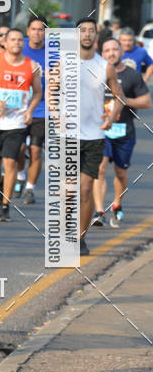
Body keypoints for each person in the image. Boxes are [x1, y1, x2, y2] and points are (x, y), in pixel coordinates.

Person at [0, 28, 42, 223]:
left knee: (10, 162)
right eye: (13, 40)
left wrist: (30, 111)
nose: (17, 43)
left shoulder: (32, 66)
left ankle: (6, 205)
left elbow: (38, 93)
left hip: (16, 123)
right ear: (5, 43)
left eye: (19, 40)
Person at [73, 19, 122, 255]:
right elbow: (50, 92)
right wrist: (55, 113)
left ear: (96, 36)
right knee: (66, 191)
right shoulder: (63, 64)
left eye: (92, 31)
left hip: (94, 136)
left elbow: (119, 97)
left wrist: (111, 117)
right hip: (67, 135)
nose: (87, 34)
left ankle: (80, 238)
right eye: (83, 30)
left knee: (84, 189)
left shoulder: (105, 66)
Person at [92, 37, 151, 227]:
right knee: (100, 168)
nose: (111, 53)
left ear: (121, 52)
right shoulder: (95, 74)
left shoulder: (132, 75)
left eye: (114, 49)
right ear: (102, 54)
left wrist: (126, 100)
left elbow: (146, 102)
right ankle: (99, 211)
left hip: (124, 131)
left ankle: (117, 204)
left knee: (120, 172)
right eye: (107, 50)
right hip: (100, 131)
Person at [20, 16, 48, 205]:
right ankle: (21, 174)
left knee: (36, 151)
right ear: (28, 31)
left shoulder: (53, 53)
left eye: (41, 29)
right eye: (34, 29)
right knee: (20, 149)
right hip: (19, 109)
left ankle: (30, 188)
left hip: (43, 109)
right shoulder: (19, 49)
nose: (37, 33)